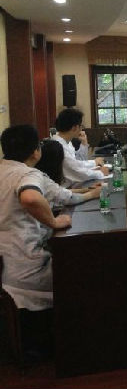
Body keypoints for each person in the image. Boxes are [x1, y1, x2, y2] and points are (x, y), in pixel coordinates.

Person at [0, 125, 74, 313]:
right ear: (35, 152)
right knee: (80, 274)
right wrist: (54, 222)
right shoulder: (28, 174)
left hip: (5, 271)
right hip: (26, 274)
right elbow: (30, 198)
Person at [52, 108, 109, 186]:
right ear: (74, 128)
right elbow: (76, 171)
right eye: (80, 126)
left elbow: (76, 162)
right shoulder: (58, 146)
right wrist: (99, 173)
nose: (81, 129)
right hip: (66, 188)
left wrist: (94, 163)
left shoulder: (67, 141)